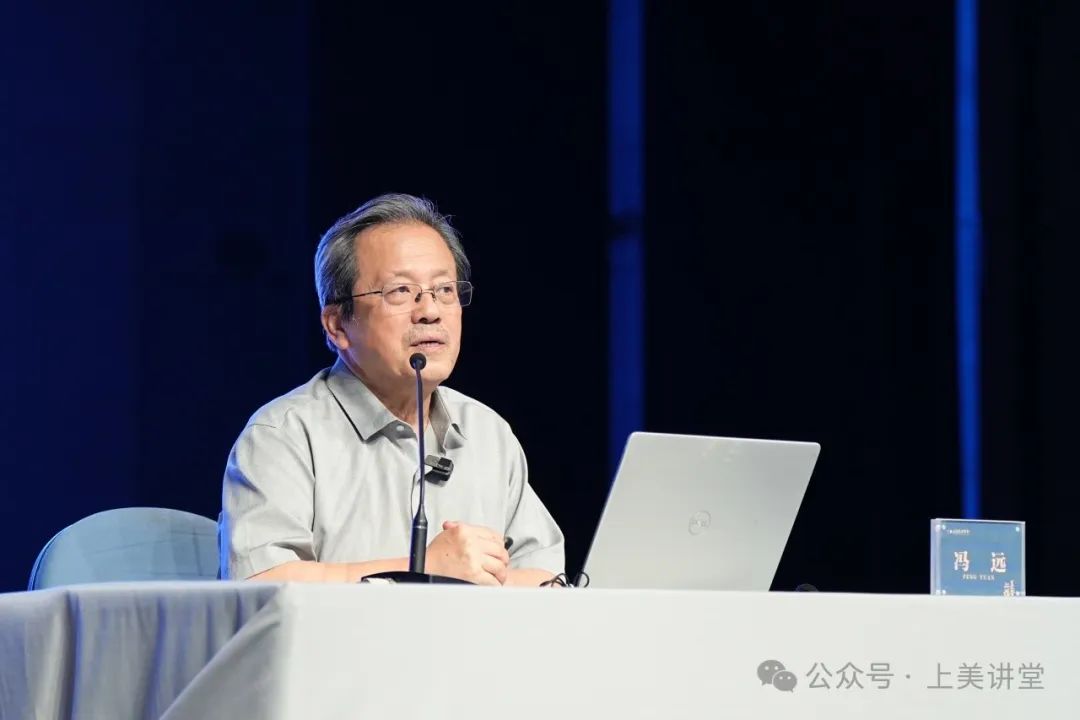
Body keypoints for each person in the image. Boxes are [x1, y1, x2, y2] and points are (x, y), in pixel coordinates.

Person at [219, 193, 564, 586]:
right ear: (337, 325)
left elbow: (546, 577)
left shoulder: (488, 434)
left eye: (445, 290)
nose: (430, 311)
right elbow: (259, 586)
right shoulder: (284, 436)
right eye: (400, 291)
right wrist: (422, 572)